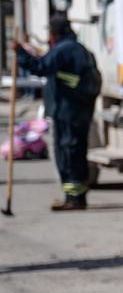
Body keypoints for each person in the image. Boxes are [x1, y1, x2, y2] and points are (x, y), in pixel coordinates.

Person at [15, 13, 99, 210]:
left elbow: (40, 67)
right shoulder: (77, 49)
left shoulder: (63, 49)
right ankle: (76, 196)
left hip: (68, 111)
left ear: (54, 33)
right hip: (77, 110)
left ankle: (74, 198)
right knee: (75, 152)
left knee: (68, 154)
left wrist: (20, 53)